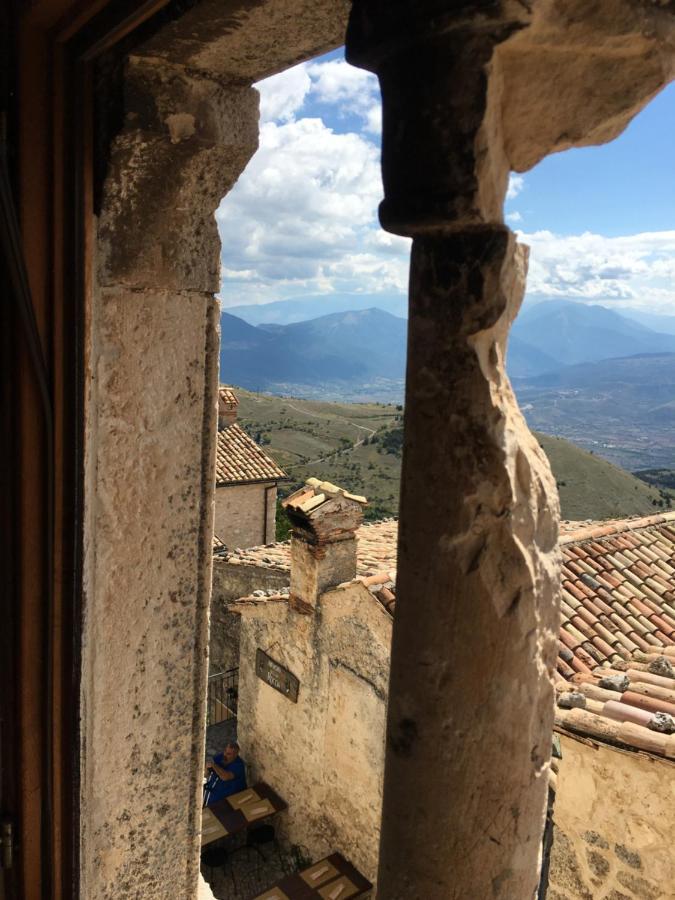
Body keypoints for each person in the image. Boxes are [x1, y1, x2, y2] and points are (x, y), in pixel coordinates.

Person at [203, 741, 247, 807]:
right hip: (211, 789)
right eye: (225, 751)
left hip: (225, 795)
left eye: (229, 754)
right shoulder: (222, 756)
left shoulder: (238, 765)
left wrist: (214, 766)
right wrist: (207, 768)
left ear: (235, 755)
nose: (225, 755)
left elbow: (225, 777)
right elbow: (206, 772)